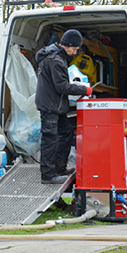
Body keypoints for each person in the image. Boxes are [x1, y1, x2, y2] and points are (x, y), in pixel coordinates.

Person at [34, 29, 93, 184]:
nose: (74, 53)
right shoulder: (55, 60)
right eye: (73, 49)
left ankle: (59, 167)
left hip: (56, 105)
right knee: (50, 138)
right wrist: (84, 89)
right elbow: (62, 87)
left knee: (66, 132)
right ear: (66, 45)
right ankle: (47, 175)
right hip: (50, 105)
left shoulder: (58, 57)